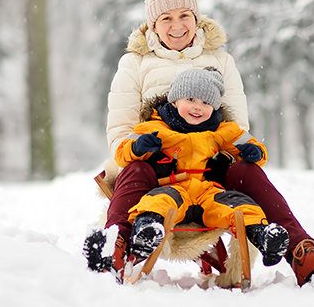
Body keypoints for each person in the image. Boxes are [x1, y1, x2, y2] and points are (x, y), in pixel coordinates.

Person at [83, 0, 314, 286]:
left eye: (184, 16)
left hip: (210, 167)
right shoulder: (134, 64)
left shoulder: (220, 60)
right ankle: (114, 247)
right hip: (157, 167)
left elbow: (237, 123)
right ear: (153, 25)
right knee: (134, 171)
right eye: (166, 18)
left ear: (196, 17)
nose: (177, 26)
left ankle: (302, 253)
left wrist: (237, 151)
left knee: (248, 172)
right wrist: (138, 148)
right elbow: (119, 131)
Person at [113, 67, 289, 274]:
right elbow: (121, 154)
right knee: (156, 202)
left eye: (206, 103)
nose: (198, 107)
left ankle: (263, 237)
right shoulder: (155, 127)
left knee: (241, 206)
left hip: (208, 192)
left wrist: (255, 152)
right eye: (191, 99)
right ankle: (146, 232)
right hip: (173, 187)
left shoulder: (223, 130)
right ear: (174, 100)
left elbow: (253, 145)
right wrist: (137, 147)